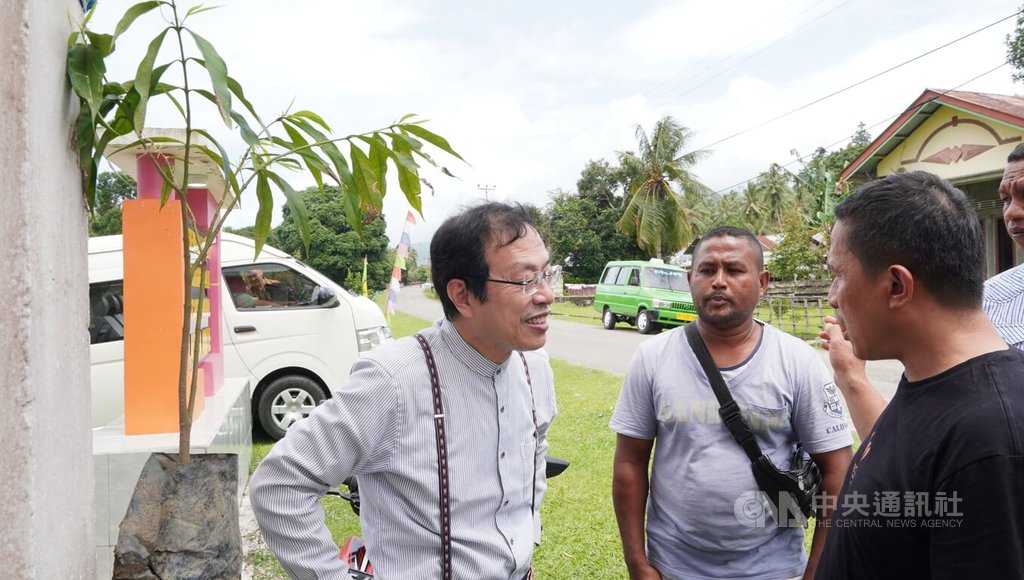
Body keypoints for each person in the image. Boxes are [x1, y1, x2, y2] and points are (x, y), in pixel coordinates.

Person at [249, 202, 558, 579]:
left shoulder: (534, 369)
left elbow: (535, 450)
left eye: (547, 274)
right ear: (462, 295)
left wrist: (527, 534)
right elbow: (280, 485)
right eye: (526, 280)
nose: (546, 295)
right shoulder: (393, 381)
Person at [610, 225, 853, 580]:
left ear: (762, 282)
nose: (719, 281)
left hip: (774, 568)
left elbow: (837, 470)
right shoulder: (652, 358)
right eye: (707, 270)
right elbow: (630, 463)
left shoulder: (797, 361)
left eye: (735, 270)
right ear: (690, 278)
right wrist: (637, 563)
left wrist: (816, 571)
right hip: (674, 564)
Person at [815, 171, 1024, 579]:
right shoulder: (931, 381)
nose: (832, 296)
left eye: (838, 274)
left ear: (896, 286)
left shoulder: (993, 437)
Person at [821, 147, 1024, 439]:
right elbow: (910, 450)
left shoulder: (996, 431)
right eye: (1005, 198)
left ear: (898, 286)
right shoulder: (989, 301)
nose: (1012, 211)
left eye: (839, 275)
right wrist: (851, 378)